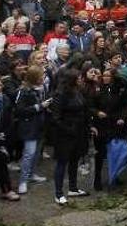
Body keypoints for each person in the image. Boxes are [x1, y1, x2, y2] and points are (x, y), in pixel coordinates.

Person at [50, 67, 91, 205]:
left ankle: (73, 188)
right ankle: (58, 193)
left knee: (74, 160)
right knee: (62, 163)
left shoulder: (78, 92)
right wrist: (69, 129)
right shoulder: (60, 94)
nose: (81, 80)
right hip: (65, 135)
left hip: (78, 132)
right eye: (79, 78)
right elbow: (56, 118)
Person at [0, 78, 20, 201]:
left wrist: (4, 134)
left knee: (1, 163)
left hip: (1, 137)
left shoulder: (5, 100)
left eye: (0, 85)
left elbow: (10, 119)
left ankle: (7, 190)